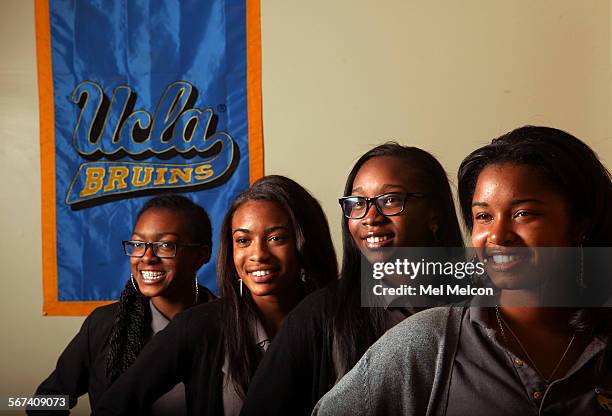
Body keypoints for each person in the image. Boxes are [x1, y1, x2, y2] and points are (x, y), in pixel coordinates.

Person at [313, 126, 612, 415]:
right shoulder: (427, 342)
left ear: (580, 223)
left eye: (523, 213)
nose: (497, 235)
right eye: (483, 216)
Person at [241, 142, 464, 416]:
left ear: (435, 213)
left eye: (390, 199)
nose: (370, 217)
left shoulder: (480, 307)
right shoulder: (320, 316)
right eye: (358, 203)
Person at [93, 175, 338, 415]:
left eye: (276, 238)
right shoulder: (198, 326)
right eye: (243, 240)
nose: (258, 254)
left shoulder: (341, 321)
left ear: (305, 242)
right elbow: (112, 404)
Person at [29, 194, 216, 415]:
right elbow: (44, 402)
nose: (147, 257)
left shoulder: (230, 326)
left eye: (165, 245)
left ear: (202, 254)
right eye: (138, 244)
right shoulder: (105, 324)